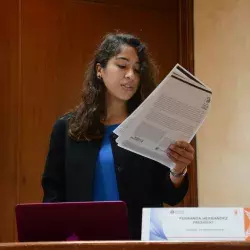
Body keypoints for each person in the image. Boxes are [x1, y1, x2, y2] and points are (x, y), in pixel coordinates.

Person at [41, 33, 195, 240]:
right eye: (122, 66)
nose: (131, 75)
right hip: (81, 243)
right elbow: (53, 196)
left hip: (139, 242)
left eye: (137, 70)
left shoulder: (150, 126)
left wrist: (178, 170)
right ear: (99, 70)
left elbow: (170, 195)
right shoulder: (66, 128)